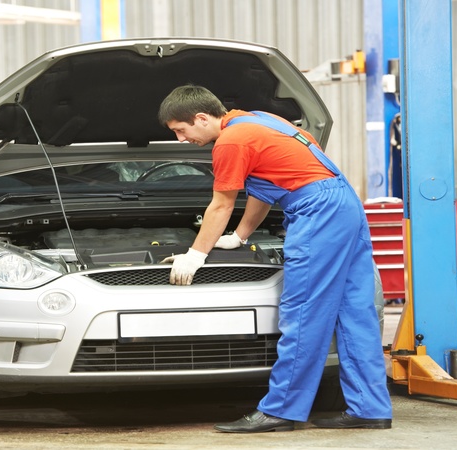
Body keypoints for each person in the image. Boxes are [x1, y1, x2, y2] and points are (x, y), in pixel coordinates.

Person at [158, 85, 392, 433]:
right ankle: (370, 407)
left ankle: (281, 410)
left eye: (181, 130)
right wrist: (240, 236)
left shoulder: (231, 142)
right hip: (343, 203)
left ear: (202, 118)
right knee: (354, 309)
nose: (180, 139)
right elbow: (264, 189)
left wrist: (195, 255)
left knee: (304, 310)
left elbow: (221, 204)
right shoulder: (259, 121)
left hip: (317, 211)